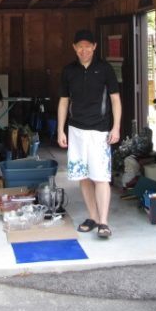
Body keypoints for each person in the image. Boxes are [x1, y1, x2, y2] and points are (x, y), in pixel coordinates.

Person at [57, 29, 121, 239]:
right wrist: (60, 129)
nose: (84, 50)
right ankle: (92, 217)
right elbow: (64, 101)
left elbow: (115, 100)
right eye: (80, 46)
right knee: (83, 177)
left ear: (94, 46)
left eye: (87, 46)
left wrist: (116, 127)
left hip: (100, 130)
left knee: (101, 177)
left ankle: (104, 222)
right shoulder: (69, 71)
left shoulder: (104, 69)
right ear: (74, 48)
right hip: (76, 130)